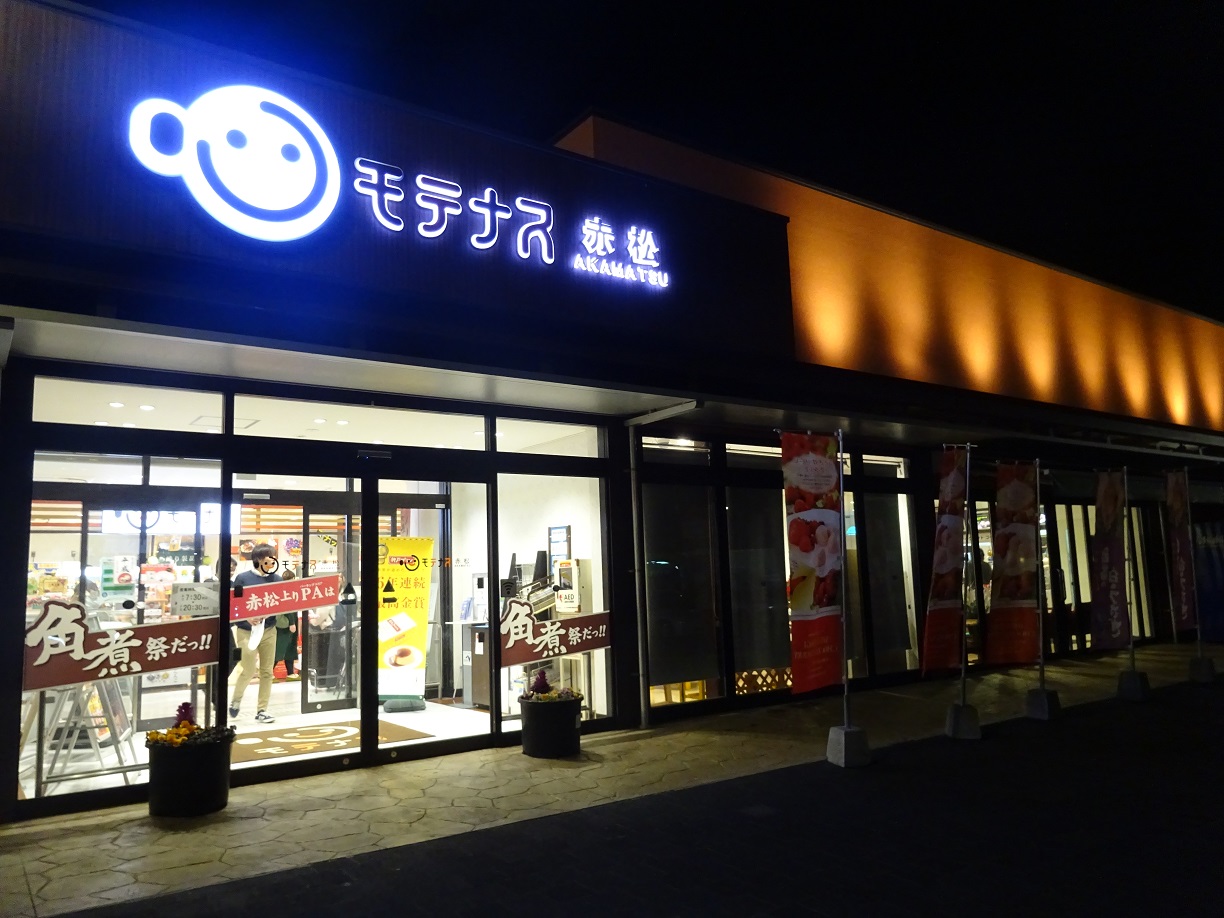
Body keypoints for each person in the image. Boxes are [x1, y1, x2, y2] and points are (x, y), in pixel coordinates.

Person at [229, 543, 280, 723]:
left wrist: (271, 614)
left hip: (269, 630)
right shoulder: (243, 579)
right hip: (246, 631)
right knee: (249, 669)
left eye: (274, 557)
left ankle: (262, 710)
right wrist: (246, 617)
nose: (272, 560)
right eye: (269, 557)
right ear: (258, 559)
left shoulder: (276, 579)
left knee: (267, 671)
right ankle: (236, 701)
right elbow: (234, 605)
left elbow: (281, 603)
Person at [273, 567, 300, 682]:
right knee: (282, 648)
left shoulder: (281, 590)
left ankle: (290, 672)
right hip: (287, 625)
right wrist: (292, 623)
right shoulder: (287, 591)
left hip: (283, 625)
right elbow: (288, 609)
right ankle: (269, 672)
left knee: (288, 648)